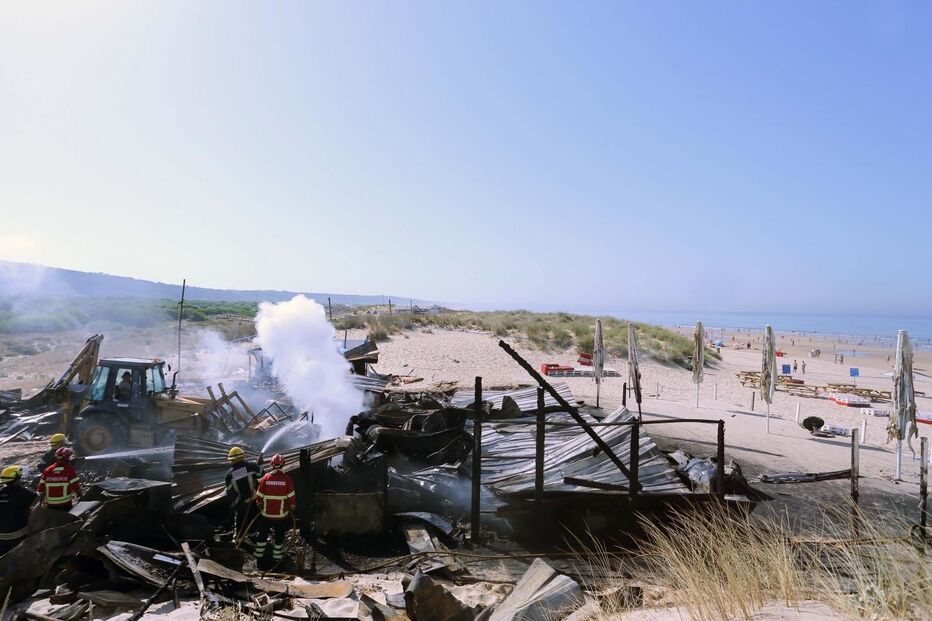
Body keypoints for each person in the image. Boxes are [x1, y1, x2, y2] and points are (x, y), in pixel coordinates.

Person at [252, 454, 295, 567]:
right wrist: (292, 507)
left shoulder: (265, 478)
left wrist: (261, 507)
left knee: (262, 536)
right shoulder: (287, 479)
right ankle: (277, 559)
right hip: (281, 516)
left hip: (266, 515)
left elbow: (258, 497)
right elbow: (292, 498)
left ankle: (259, 558)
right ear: (283, 464)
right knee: (279, 537)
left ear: (271, 465)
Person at [0, 465, 37, 555]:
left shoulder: (1, 492)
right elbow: (37, 502)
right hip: (19, 533)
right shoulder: (23, 492)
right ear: (17, 480)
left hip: (1, 535)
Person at [224, 446, 260, 535]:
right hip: (254, 501)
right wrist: (258, 465)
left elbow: (229, 493)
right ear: (242, 456)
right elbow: (261, 473)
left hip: (241, 505)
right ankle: (253, 536)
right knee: (254, 523)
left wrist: (234, 505)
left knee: (240, 525)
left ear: (231, 460)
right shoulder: (251, 467)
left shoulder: (229, 475)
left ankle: (239, 538)